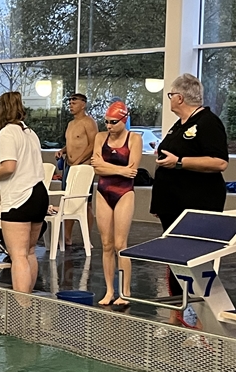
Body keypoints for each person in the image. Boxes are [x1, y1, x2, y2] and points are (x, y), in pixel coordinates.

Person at [151, 73, 229, 307]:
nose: (170, 99)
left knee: (194, 258)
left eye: (171, 95)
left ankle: (199, 312)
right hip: (172, 203)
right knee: (175, 258)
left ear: (180, 97)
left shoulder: (208, 122)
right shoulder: (180, 124)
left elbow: (219, 162)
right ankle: (178, 311)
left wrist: (179, 162)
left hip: (197, 202)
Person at [0, 92, 48, 293]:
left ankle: (21, 306)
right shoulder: (30, 133)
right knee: (29, 252)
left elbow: (9, 167)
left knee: (18, 255)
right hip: (39, 194)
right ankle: (29, 302)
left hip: (20, 198)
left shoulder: (7, 132)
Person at [91, 101, 142, 308]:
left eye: (113, 122)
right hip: (103, 191)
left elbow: (133, 170)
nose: (109, 126)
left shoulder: (134, 139)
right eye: (106, 122)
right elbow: (97, 169)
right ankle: (110, 290)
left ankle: (125, 291)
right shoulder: (100, 137)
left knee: (121, 245)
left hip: (124, 193)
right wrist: (121, 170)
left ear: (124, 120)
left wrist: (105, 166)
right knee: (106, 244)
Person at [56, 93, 97, 245]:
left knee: (85, 202)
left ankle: (87, 238)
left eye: (74, 103)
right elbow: (72, 143)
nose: (71, 106)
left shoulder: (89, 122)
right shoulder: (71, 124)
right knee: (67, 201)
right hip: (69, 165)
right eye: (70, 103)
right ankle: (67, 237)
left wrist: (79, 162)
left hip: (83, 167)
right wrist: (63, 150)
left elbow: (93, 144)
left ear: (83, 104)